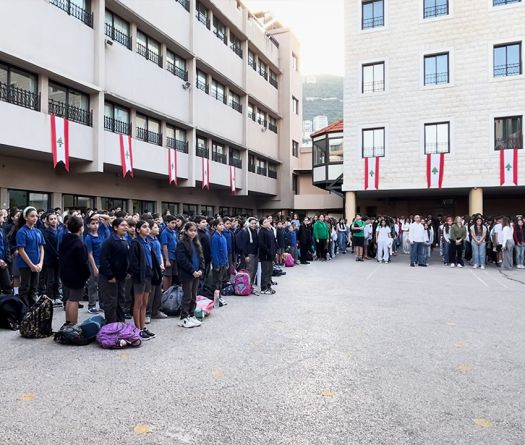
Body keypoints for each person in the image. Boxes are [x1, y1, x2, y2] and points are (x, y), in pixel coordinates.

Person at [59, 216, 90, 326]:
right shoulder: (80, 244)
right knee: (74, 300)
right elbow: (83, 263)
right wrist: (87, 274)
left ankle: (68, 322)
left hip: (65, 273)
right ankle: (73, 324)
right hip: (76, 275)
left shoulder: (64, 240)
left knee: (69, 299)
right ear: (81, 228)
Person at [128, 220, 156, 340]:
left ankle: (142, 327)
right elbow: (133, 263)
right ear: (138, 230)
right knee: (138, 303)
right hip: (140, 277)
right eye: (144, 227)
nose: (147, 229)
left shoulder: (148, 242)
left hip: (148, 275)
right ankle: (137, 329)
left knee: (145, 303)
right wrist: (139, 274)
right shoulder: (135, 243)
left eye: (148, 227)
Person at [99, 218, 130, 324]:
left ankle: (121, 324)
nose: (126, 227)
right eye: (122, 225)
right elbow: (104, 260)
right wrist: (110, 275)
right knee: (111, 302)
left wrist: (127, 272)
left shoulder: (124, 240)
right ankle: (111, 327)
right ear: (115, 228)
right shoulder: (109, 242)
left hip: (121, 277)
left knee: (121, 300)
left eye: (126, 225)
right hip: (110, 278)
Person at [176, 222, 204, 328]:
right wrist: (192, 271)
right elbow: (182, 260)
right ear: (186, 231)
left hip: (197, 273)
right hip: (188, 274)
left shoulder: (196, 243)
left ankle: (191, 315)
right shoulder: (181, 243)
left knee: (193, 296)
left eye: (194, 231)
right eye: (191, 230)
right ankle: (183, 317)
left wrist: (201, 269)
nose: (193, 233)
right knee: (187, 296)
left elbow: (201, 258)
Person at [16, 207, 46, 307]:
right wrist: (31, 265)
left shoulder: (38, 231)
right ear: (26, 217)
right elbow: (21, 250)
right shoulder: (21, 231)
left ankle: (33, 310)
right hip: (25, 265)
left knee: (34, 288)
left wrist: (40, 263)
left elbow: (41, 248)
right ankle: (24, 310)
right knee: (25, 287)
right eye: (32, 216)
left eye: (36, 216)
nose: (35, 218)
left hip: (37, 264)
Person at [147, 221, 166, 322]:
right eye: (155, 227)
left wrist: (161, 264)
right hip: (152, 269)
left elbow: (159, 254)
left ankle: (156, 311)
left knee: (158, 291)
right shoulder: (148, 241)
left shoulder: (156, 240)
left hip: (159, 268)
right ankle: (147, 313)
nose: (158, 229)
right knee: (151, 292)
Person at [41, 212, 61, 307]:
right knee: (50, 279)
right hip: (50, 258)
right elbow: (48, 246)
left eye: (55, 219)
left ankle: (57, 296)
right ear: (48, 221)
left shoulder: (60, 230)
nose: (53, 220)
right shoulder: (45, 232)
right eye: (51, 219)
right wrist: (56, 254)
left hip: (59, 259)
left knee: (57, 279)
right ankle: (50, 297)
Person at [84, 215, 103, 314]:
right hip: (93, 263)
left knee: (101, 285)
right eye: (93, 223)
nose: (95, 225)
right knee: (93, 285)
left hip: (102, 263)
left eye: (97, 223)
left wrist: (98, 215)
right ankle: (91, 305)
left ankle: (102, 304)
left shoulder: (101, 235)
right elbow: (89, 254)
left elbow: (107, 220)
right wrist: (95, 267)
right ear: (88, 225)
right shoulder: (88, 238)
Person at [210, 219, 228, 306]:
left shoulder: (223, 236)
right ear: (215, 226)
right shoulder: (215, 237)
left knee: (221, 281)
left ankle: (219, 297)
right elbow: (214, 252)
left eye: (222, 224)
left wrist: (226, 261)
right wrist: (216, 264)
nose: (222, 226)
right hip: (218, 263)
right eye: (220, 225)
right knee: (216, 282)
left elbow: (225, 250)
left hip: (224, 262)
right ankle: (216, 300)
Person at [258, 218, 276, 294]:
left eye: (267, 221)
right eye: (265, 222)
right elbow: (261, 244)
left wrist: (275, 251)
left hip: (271, 254)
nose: (267, 222)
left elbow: (274, 241)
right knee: (265, 271)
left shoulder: (270, 230)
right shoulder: (262, 231)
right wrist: (268, 252)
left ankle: (268, 286)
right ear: (261, 224)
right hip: (265, 255)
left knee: (270, 271)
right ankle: (263, 288)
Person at [160, 215, 178, 292]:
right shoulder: (164, 232)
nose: (174, 224)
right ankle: (165, 292)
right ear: (167, 223)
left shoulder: (174, 232)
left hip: (174, 257)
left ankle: (169, 292)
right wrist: (167, 260)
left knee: (171, 276)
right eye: (172, 223)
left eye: (175, 223)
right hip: (169, 257)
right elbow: (164, 247)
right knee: (167, 276)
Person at [0, 211, 12, 294]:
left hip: (3, 262)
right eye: (2, 217)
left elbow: (6, 245)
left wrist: (7, 260)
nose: (4, 220)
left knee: (7, 286)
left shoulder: (2, 230)